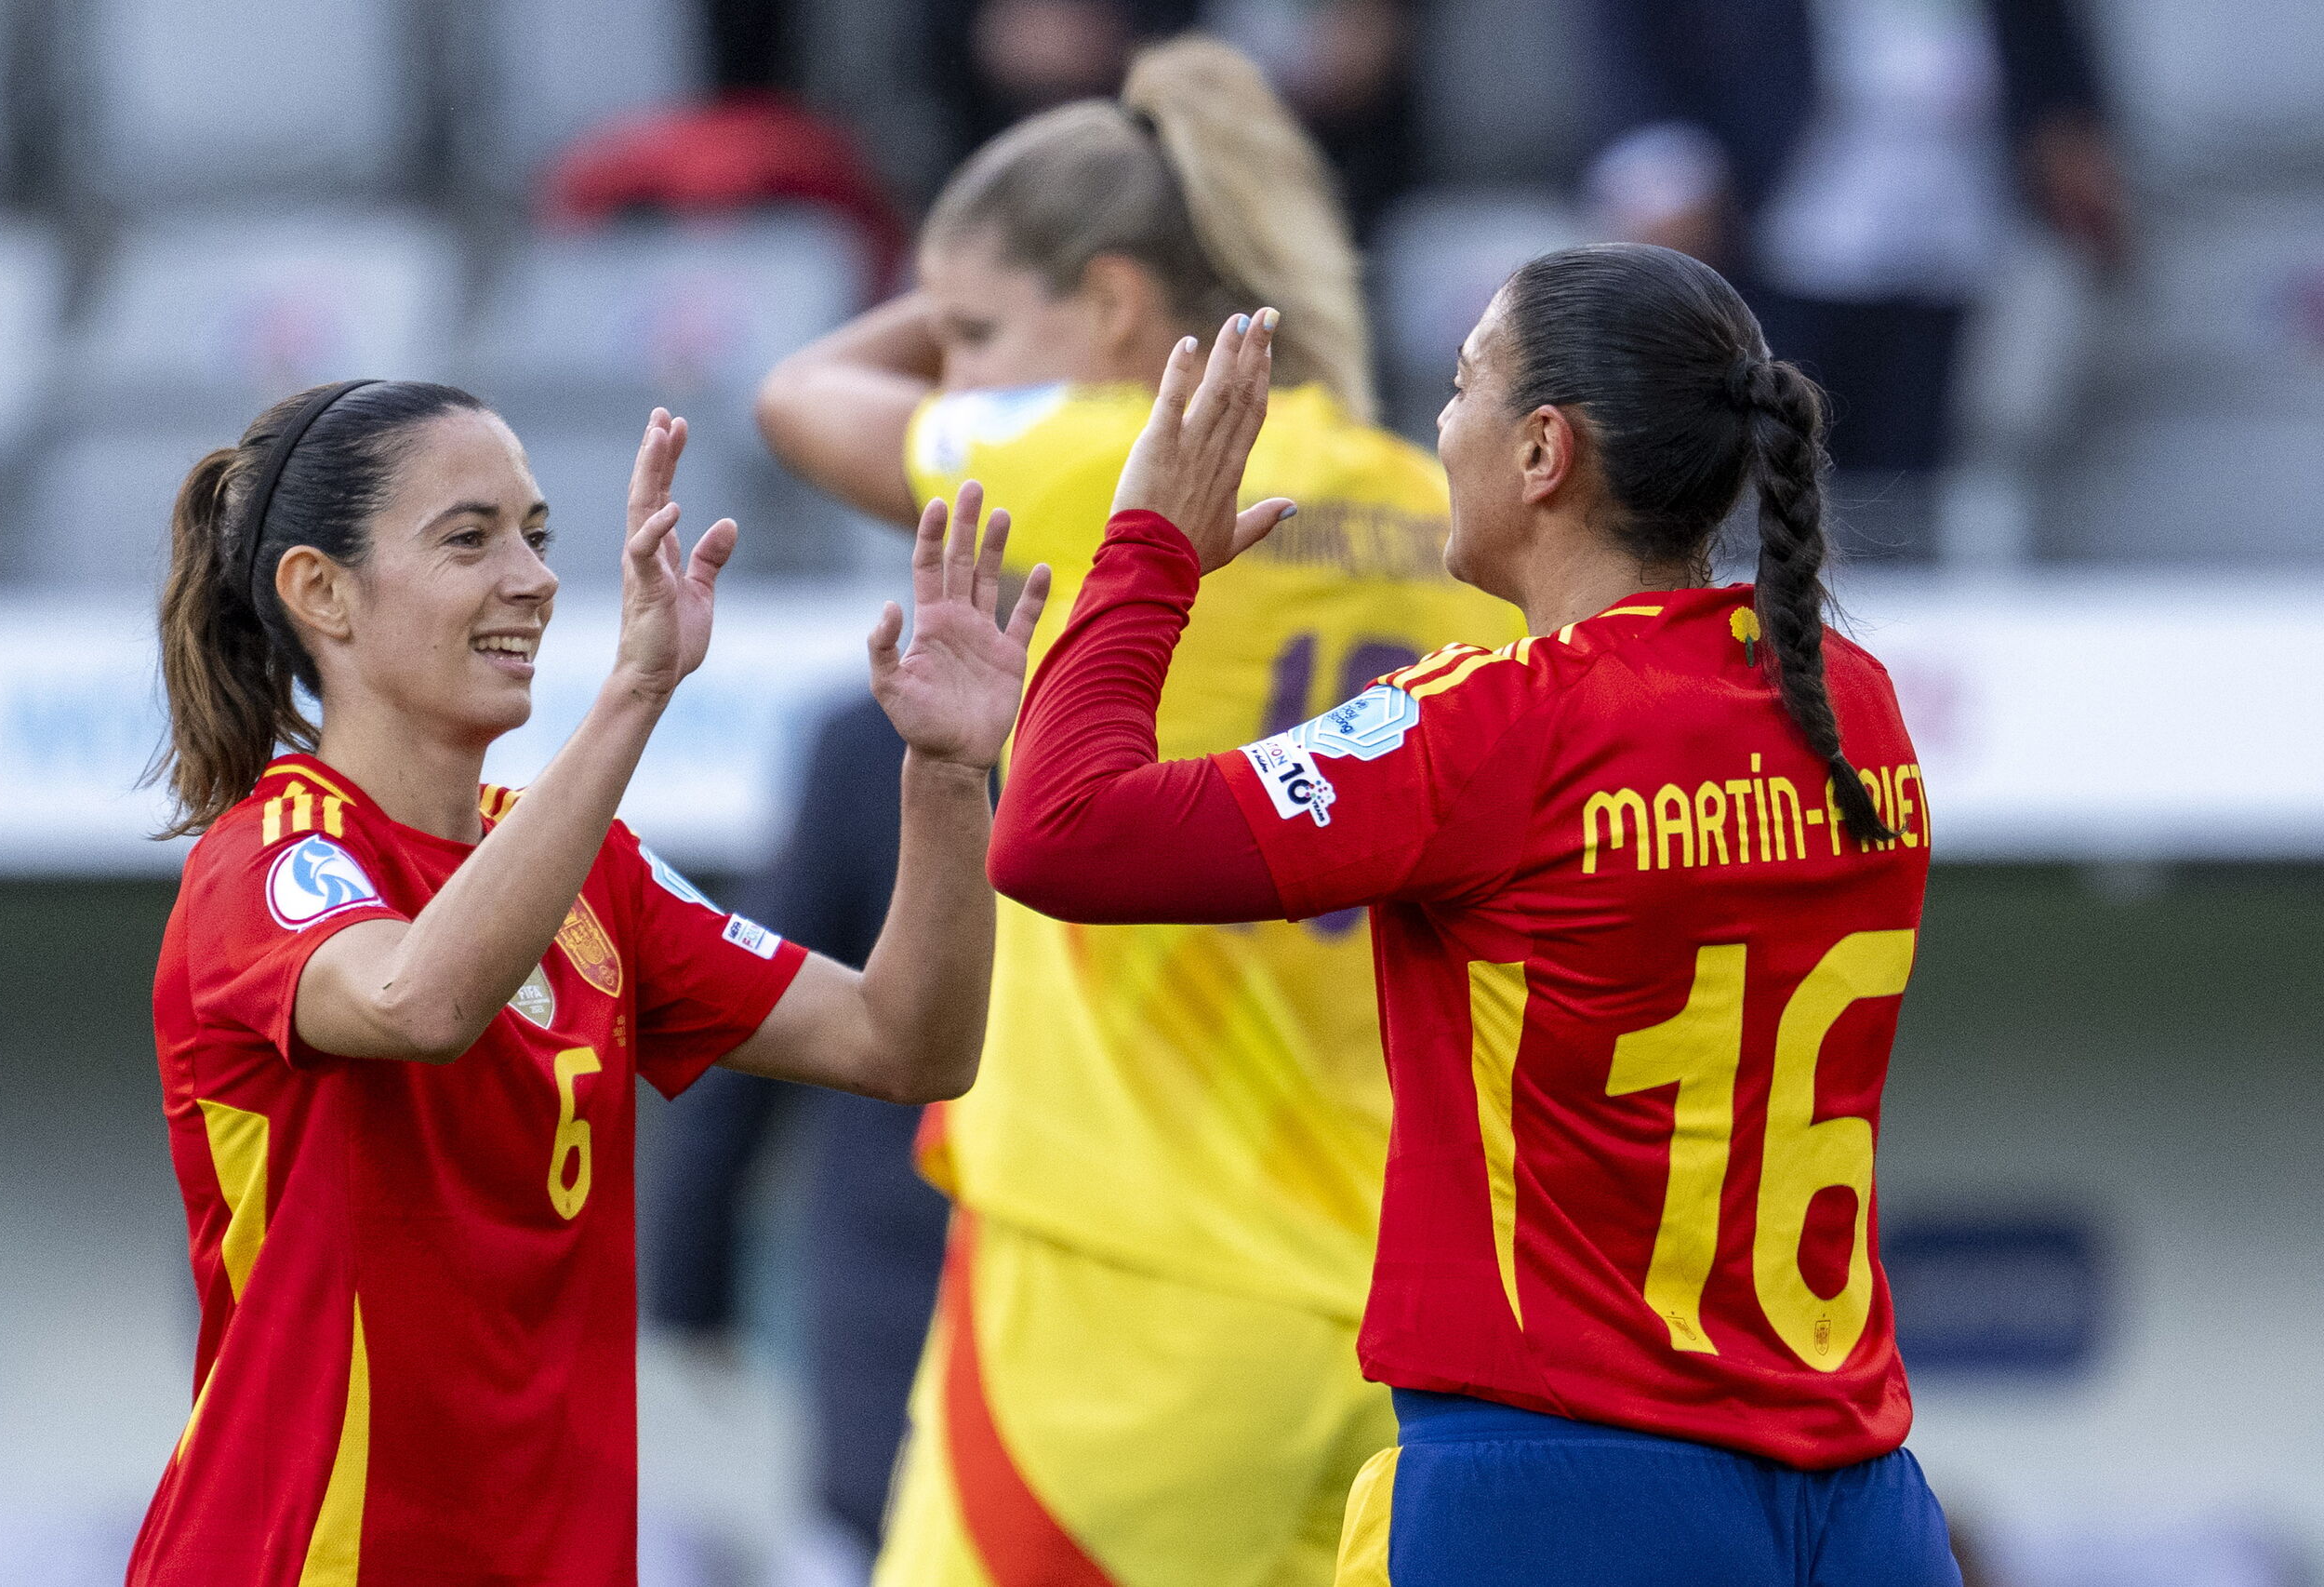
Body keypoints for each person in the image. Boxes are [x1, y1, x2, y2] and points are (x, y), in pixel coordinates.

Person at [987, 260, 1953, 1582]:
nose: (1439, 426)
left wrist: (1147, 548)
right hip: (1860, 1506)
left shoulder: (1498, 726)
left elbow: (1058, 829)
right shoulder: (1856, 702)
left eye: (1458, 387)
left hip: (1560, 1492)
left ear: (1544, 451)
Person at [756, 36, 1520, 1587]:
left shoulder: (1090, 454)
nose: (958, 372)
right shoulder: (1444, 513)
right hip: (1408, 1320)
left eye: (977, 330)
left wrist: (952, 284)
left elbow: (797, 395)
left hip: (1130, 1298)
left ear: (1113, 307)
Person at [126, 379, 1046, 1587]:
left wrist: (947, 773)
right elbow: (419, 1001)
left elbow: (907, 1042)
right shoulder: (267, 855)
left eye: (538, 534)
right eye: (470, 538)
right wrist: (636, 689)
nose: (536, 578)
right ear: (322, 591)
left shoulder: (589, 869)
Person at [1583, 0, 2127, 556]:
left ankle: (1890, 594)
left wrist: (2065, 110)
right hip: (1769, 195)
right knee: (1761, 458)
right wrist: (1659, 161)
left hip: (1952, 205)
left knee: (1910, 475)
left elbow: (2043, 31)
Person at [642, 692, 946, 1581]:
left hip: (913, 1276)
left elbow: (745, 1022)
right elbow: (757, 1000)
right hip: (910, 1279)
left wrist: (689, 1291)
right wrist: (689, 1281)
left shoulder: (872, 740)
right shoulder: (876, 743)